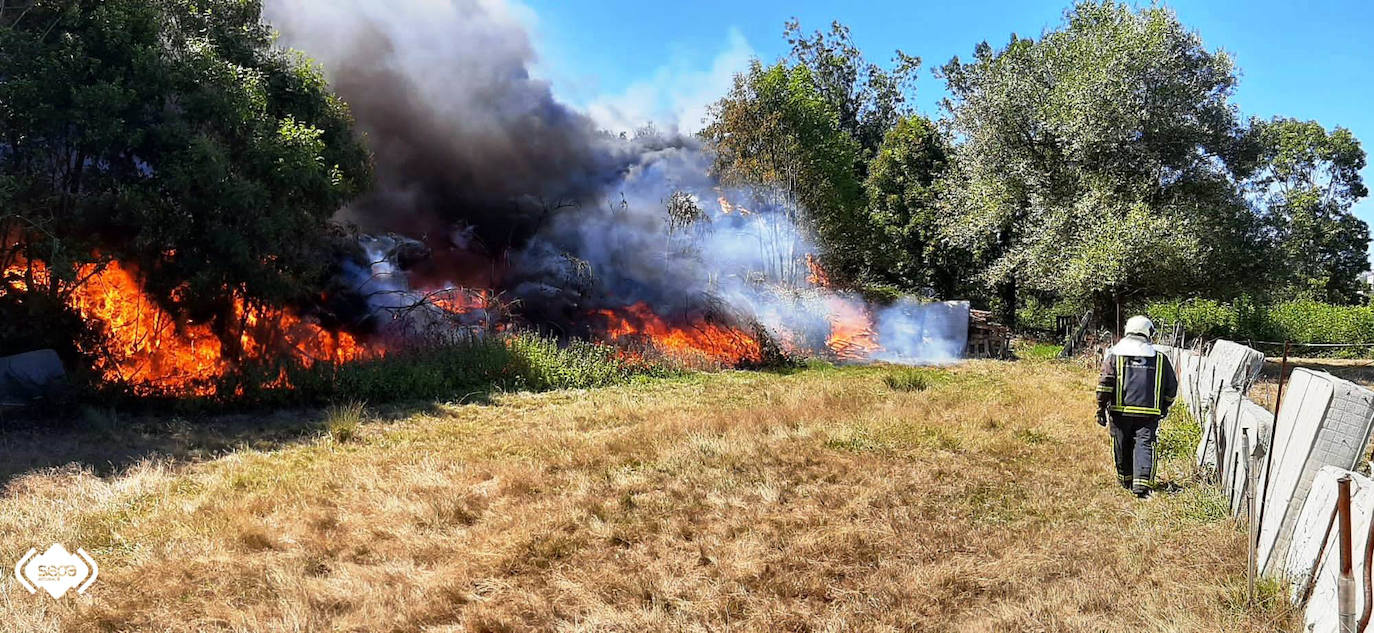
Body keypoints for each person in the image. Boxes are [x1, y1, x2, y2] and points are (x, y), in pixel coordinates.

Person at [1095, 315, 1178, 499]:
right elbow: (1171, 388)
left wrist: (1100, 408)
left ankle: (1126, 480)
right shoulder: (1160, 359)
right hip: (1149, 414)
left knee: (1121, 444)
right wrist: (1164, 407)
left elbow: (1105, 383)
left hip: (1119, 412)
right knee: (1145, 445)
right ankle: (1141, 487)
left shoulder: (1115, 357)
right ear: (1148, 333)